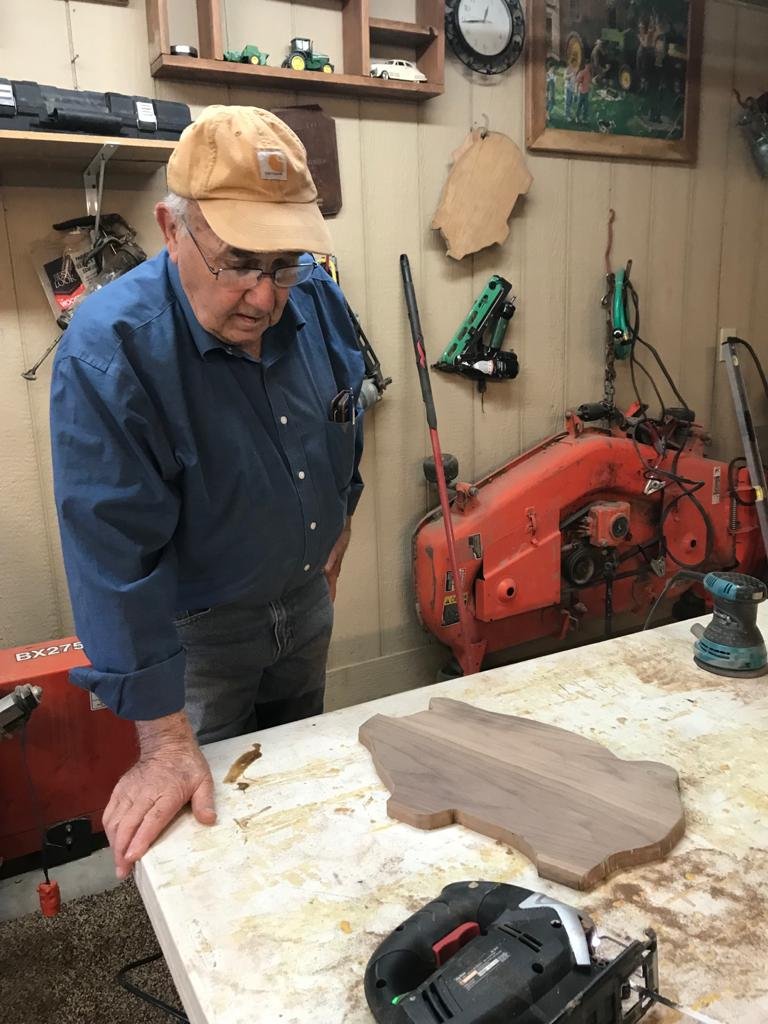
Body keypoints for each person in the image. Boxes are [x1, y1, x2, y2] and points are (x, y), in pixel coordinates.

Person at [49, 105, 365, 880]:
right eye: (239, 263)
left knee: (297, 799)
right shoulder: (109, 352)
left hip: (306, 602)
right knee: (216, 841)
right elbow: (114, 558)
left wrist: (339, 522)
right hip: (198, 636)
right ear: (171, 229)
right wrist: (161, 740)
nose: (264, 297)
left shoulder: (314, 298)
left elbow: (344, 413)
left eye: (284, 263)